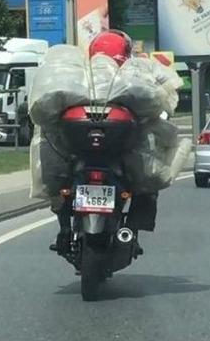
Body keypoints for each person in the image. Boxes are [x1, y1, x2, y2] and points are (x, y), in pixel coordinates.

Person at [50, 30, 158, 254]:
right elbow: (149, 102)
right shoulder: (130, 75)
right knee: (146, 184)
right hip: (114, 154)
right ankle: (130, 229)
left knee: (62, 179)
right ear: (124, 53)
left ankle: (64, 227)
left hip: (81, 151)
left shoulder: (80, 74)